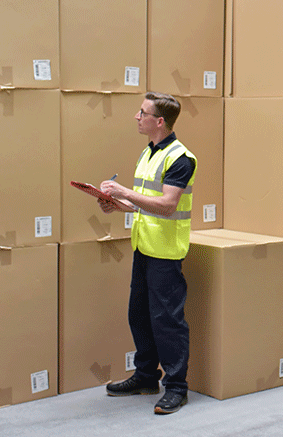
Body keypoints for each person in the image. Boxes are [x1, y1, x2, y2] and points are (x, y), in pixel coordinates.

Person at [97, 91, 197, 415]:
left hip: (166, 252)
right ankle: (145, 377)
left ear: (159, 121)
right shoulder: (148, 154)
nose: (136, 117)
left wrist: (124, 191)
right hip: (143, 246)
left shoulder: (181, 158)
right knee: (138, 314)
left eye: (142, 112)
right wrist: (116, 205)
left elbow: (167, 205)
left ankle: (177, 388)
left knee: (167, 321)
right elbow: (142, 201)